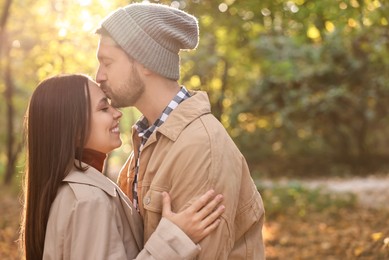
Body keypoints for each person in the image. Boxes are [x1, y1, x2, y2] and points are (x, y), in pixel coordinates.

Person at [95, 3, 265, 259]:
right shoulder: (145, 141)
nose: (99, 76)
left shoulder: (200, 147)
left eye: (107, 62)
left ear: (145, 61)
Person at [20, 74, 225, 260]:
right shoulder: (88, 200)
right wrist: (175, 239)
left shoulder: (75, 191)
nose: (117, 113)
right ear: (74, 129)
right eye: (103, 108)